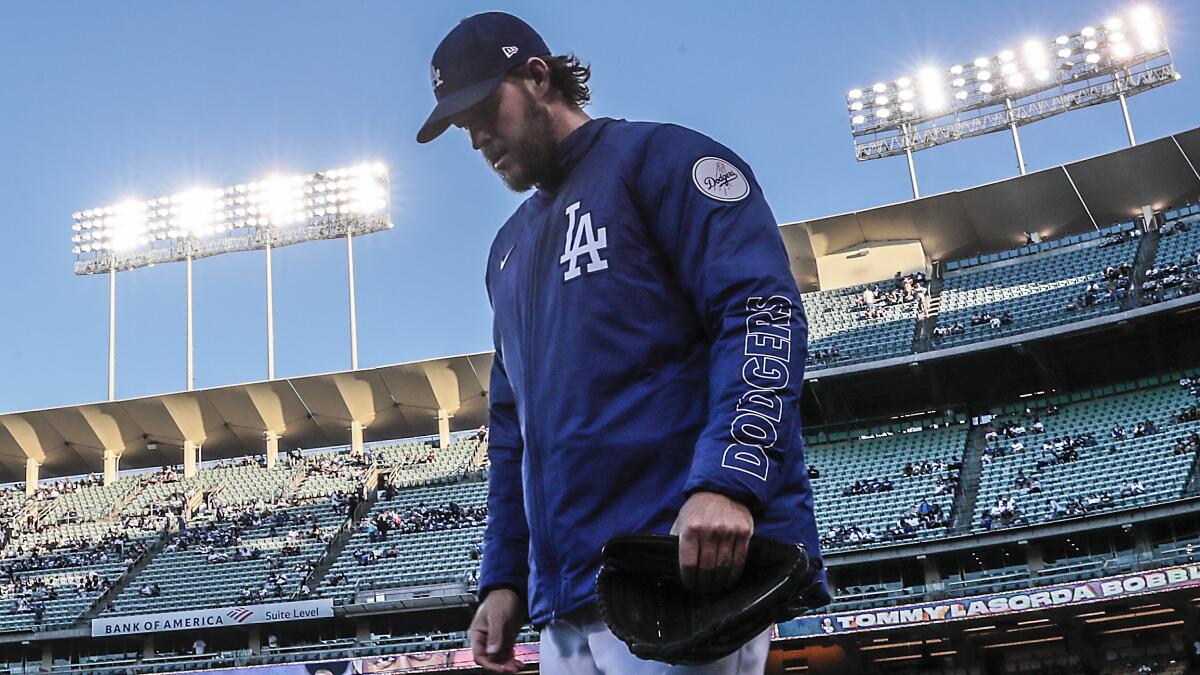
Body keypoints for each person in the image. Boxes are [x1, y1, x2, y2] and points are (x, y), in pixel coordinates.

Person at [417, 12, 826, 674]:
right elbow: (513, 429)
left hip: (678, 571)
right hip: (568, 603)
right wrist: (505, 578)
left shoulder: (663, 160)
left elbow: (762, 314)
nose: (478, 138)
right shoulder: (507, 252)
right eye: (464, 127)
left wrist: (730, 478)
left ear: (538, 76)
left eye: (484, 109)